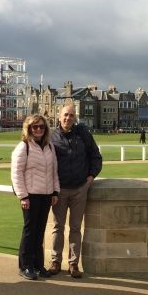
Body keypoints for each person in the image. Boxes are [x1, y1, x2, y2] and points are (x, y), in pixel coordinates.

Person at [47, 103, 102, 278]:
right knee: (58, 227)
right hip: (60, 190)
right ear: (59, 116)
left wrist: (91, 177)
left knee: (76, 228)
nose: (68, 118)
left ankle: (73, 264)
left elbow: (96, 156)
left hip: (80, 189)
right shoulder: (51, 137)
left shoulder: (83, 134)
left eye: (71, 115)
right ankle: (55, 261)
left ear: (75, 117)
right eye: (65, 115)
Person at [12, 114, 60, 281]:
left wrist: (55, 192)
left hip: (46, 195)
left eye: (41, 126)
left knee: (39, 232)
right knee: (29, 231)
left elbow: (53, 171)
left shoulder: (50, 147)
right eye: (35, 127)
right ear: (29, 129)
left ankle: (39, 265)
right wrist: (23, 196)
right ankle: (25, 266)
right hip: (30, 195)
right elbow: (16, 173)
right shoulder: (23, 147)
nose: (38, 129)